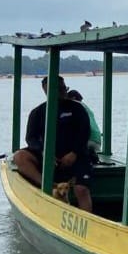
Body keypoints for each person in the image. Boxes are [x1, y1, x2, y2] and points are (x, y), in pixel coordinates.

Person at [11, 75, 93, 212]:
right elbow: (31, 138)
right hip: (49, 157)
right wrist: (45, 152)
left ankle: (87, 223)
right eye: (58, 90)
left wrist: (74, 153)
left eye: (63, 89)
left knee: (81, 189)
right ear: (46, 91)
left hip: (75, 156)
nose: (62, 92)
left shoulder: (77, 109)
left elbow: (84, 133)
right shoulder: (38, 112)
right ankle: (46, 186)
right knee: (19, 156)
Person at [66, 89, 102, 155]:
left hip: (87, 139)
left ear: (73, 98)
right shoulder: (87, 108)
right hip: (97, 140)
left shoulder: (75, 106)